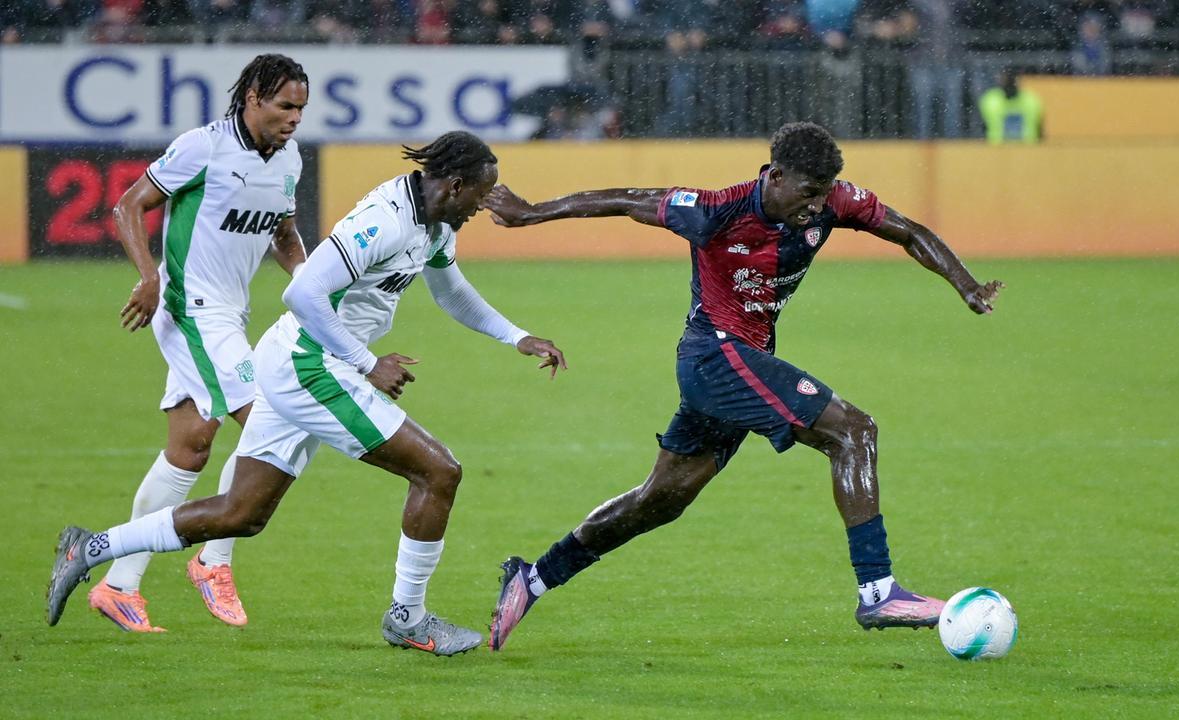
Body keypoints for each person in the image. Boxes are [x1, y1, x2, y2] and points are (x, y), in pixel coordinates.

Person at [484, 121, 1003, 651]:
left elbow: (909, 230)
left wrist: (965, 284)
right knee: (853, 431)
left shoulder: (834, 202)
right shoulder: (715, 210)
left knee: (660, 501)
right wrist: (532, 213)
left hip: (737, 365)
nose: (816, 207)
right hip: (716, 355)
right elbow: (628, 198)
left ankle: (533, 578)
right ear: (775, 176)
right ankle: (879, 590)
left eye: (824, 195)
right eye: (807, 194)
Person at [48, 132, 568, 657]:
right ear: (454, 185)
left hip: (299, 361)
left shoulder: (434, 224)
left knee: (240, 513)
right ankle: (407, 618)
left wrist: (516, 337)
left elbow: (450, 290)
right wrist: (367, 363)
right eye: (481, 194)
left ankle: (90, 548)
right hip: (310, 364)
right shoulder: (383, 220)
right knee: (438, 472)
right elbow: (301, 292)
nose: (484, 204)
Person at [97, 53, 310, 633]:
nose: (294, 119)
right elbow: (129, 205)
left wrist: (312, 282)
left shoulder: (288, 159)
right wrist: (147, 277)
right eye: (285, 106)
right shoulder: (204, 147)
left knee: (190, 447)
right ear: (253, 100)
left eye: (301, 109)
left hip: (228, 316)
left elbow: (284, 236)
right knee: (271, 423)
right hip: (189, 309)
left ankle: (119, 586)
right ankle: (213, 561)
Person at [978, 69, 1043, 144]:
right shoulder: (1031, 99)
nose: (1009, 85)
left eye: (1011, 82)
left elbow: (982, 129)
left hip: (1026, 151)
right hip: (998, 151)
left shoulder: (990, 100)